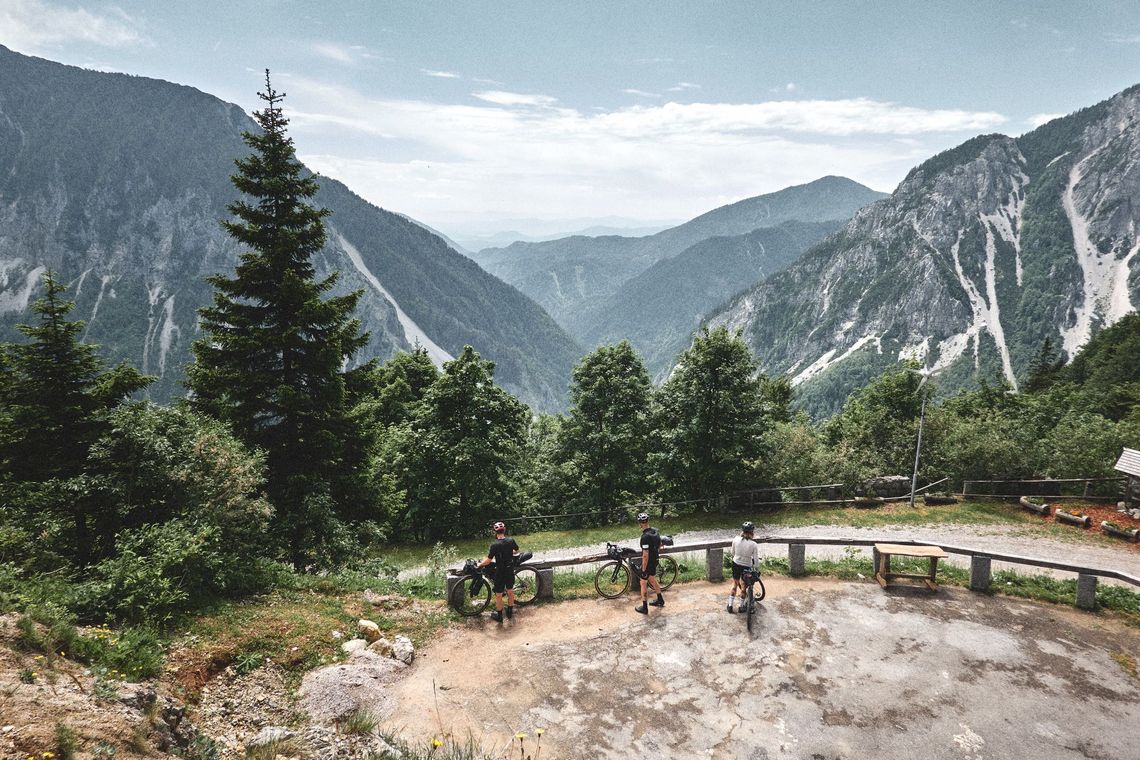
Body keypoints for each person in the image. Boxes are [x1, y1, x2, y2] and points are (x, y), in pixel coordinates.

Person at [477, 520, 519, 623]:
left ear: (495, 532)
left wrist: (480, 564)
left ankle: (499, 616)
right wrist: (510, 553)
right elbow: (516, 550)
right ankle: (509, 612)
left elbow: (489, 560)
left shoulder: (494, 545)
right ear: (504, 530)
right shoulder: (511, 540)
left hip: (500, 572)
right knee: (510, 590)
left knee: (499, 594)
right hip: (510, 570)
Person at [634, 512, 665, 614]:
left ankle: (644, 607)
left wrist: (643, 569)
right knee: (652, 578)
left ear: (640, 524)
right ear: (648, 521)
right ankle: (660, 599)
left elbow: (645, 555)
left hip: (648, 563)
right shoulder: (655, 531)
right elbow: (660, 545)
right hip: (655, 560)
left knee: (643, 582)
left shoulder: (644, 537)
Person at [728, 521, 759, 612]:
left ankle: (730, 606)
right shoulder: (754, 544)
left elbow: (732, 553)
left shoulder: (735, 539)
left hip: (736, 564)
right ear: (752, 532)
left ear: (742, 531)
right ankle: (741, 606)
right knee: (744, 587)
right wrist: (756, 569)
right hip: (746, 566)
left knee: (735, 584)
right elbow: (756, 559)